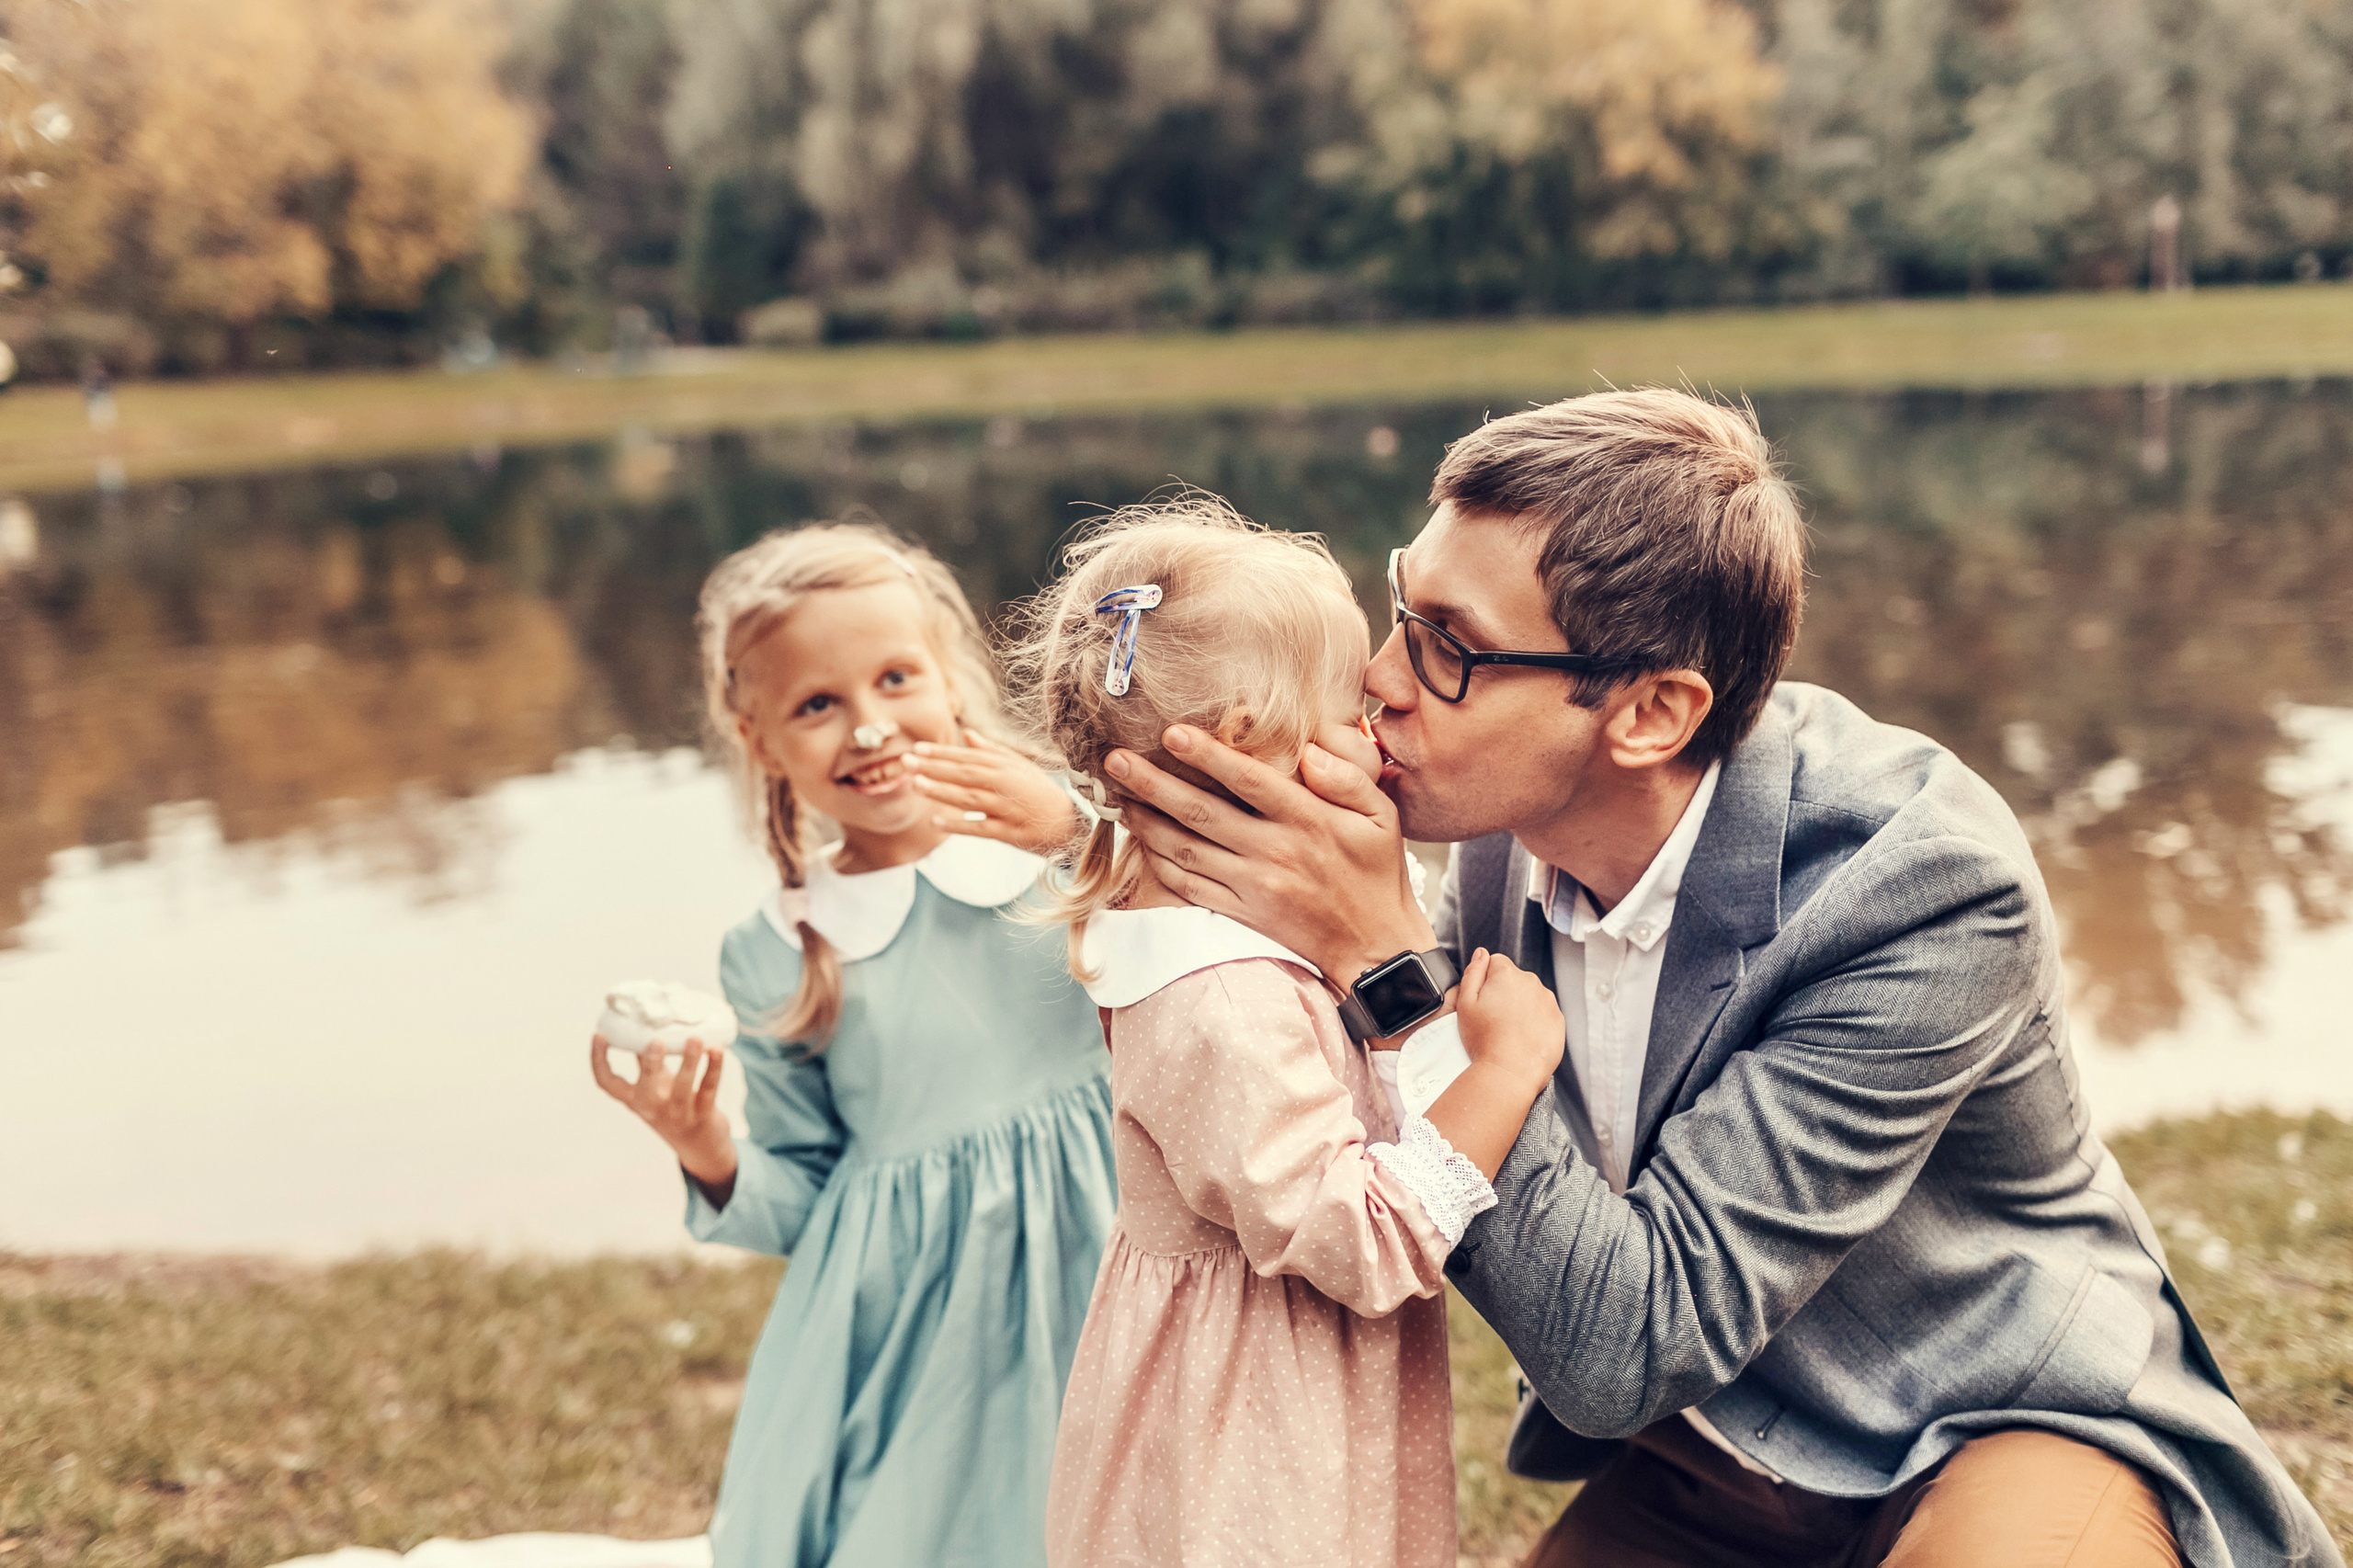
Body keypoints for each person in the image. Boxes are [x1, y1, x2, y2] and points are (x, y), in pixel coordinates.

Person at [1095, 392, 2339, 1568]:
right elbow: (1206, 844)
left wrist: (1391, 970)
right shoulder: (1481, 817)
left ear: (1649, 713)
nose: (1381, 675)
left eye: (1451, 649)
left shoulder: (1920, 885)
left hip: (1987, 1414)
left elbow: (1622, 1346)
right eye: (1403, 608)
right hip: (1707, 1450)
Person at [1010, 500, 1565, 1568]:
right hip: (1253, 1434)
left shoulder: (1207, 922)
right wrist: (1501, 1066)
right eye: (1351, 705)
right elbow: (1357, 1239)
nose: (1382, 721)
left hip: (1273, 1390)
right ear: (1241, 753)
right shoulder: (1217, 995)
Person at [591, 522, 1120, 1567]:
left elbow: (1210, 942)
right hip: (924, 1340)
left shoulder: (1063, 843)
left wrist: (1080, 831)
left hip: (1113, 1251)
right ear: (758, 739)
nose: (870, 727)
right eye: (817, 704)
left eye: (894, 678)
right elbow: (808, 1196)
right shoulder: (779, 952)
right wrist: (705, 1143)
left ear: (950, 678)